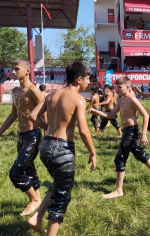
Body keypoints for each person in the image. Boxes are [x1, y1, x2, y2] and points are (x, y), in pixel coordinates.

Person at [27, 61, 97, 235]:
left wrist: (46, 127)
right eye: (88, 79)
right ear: (79, 79)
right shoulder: (79, 100)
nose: (88, 83)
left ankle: (36, 218)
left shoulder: (51, 95)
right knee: (61, 198)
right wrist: (93, 152)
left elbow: (33, 115)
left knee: (58, 184)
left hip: (46, 146)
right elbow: (83, 130)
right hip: (63, 150)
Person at [89, 76, 150, 200]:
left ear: (127, 87)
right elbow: (111, 114)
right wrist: (97, 112)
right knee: (139, 153)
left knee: (120, 158)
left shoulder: (132, 99)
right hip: (127, 131)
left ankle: (119, 190)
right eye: (116, 87)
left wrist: (143, 135)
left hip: (132, 131)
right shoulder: (121, 100)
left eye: (119, 87)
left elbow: (144, 115)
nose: (116, 89)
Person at [0, 59, 44, 216]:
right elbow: (13, 115)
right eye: (12, 69)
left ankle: (33, 200)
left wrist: (48, 134)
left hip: (33, 134)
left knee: (16, 171)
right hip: (21, 135)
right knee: (29, 168)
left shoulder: (33, 90)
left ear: (27, 71)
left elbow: (44, 111)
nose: (13, 71)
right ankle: (38, 199)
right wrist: (1, 131)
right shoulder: (15, 91)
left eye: (17, 68)